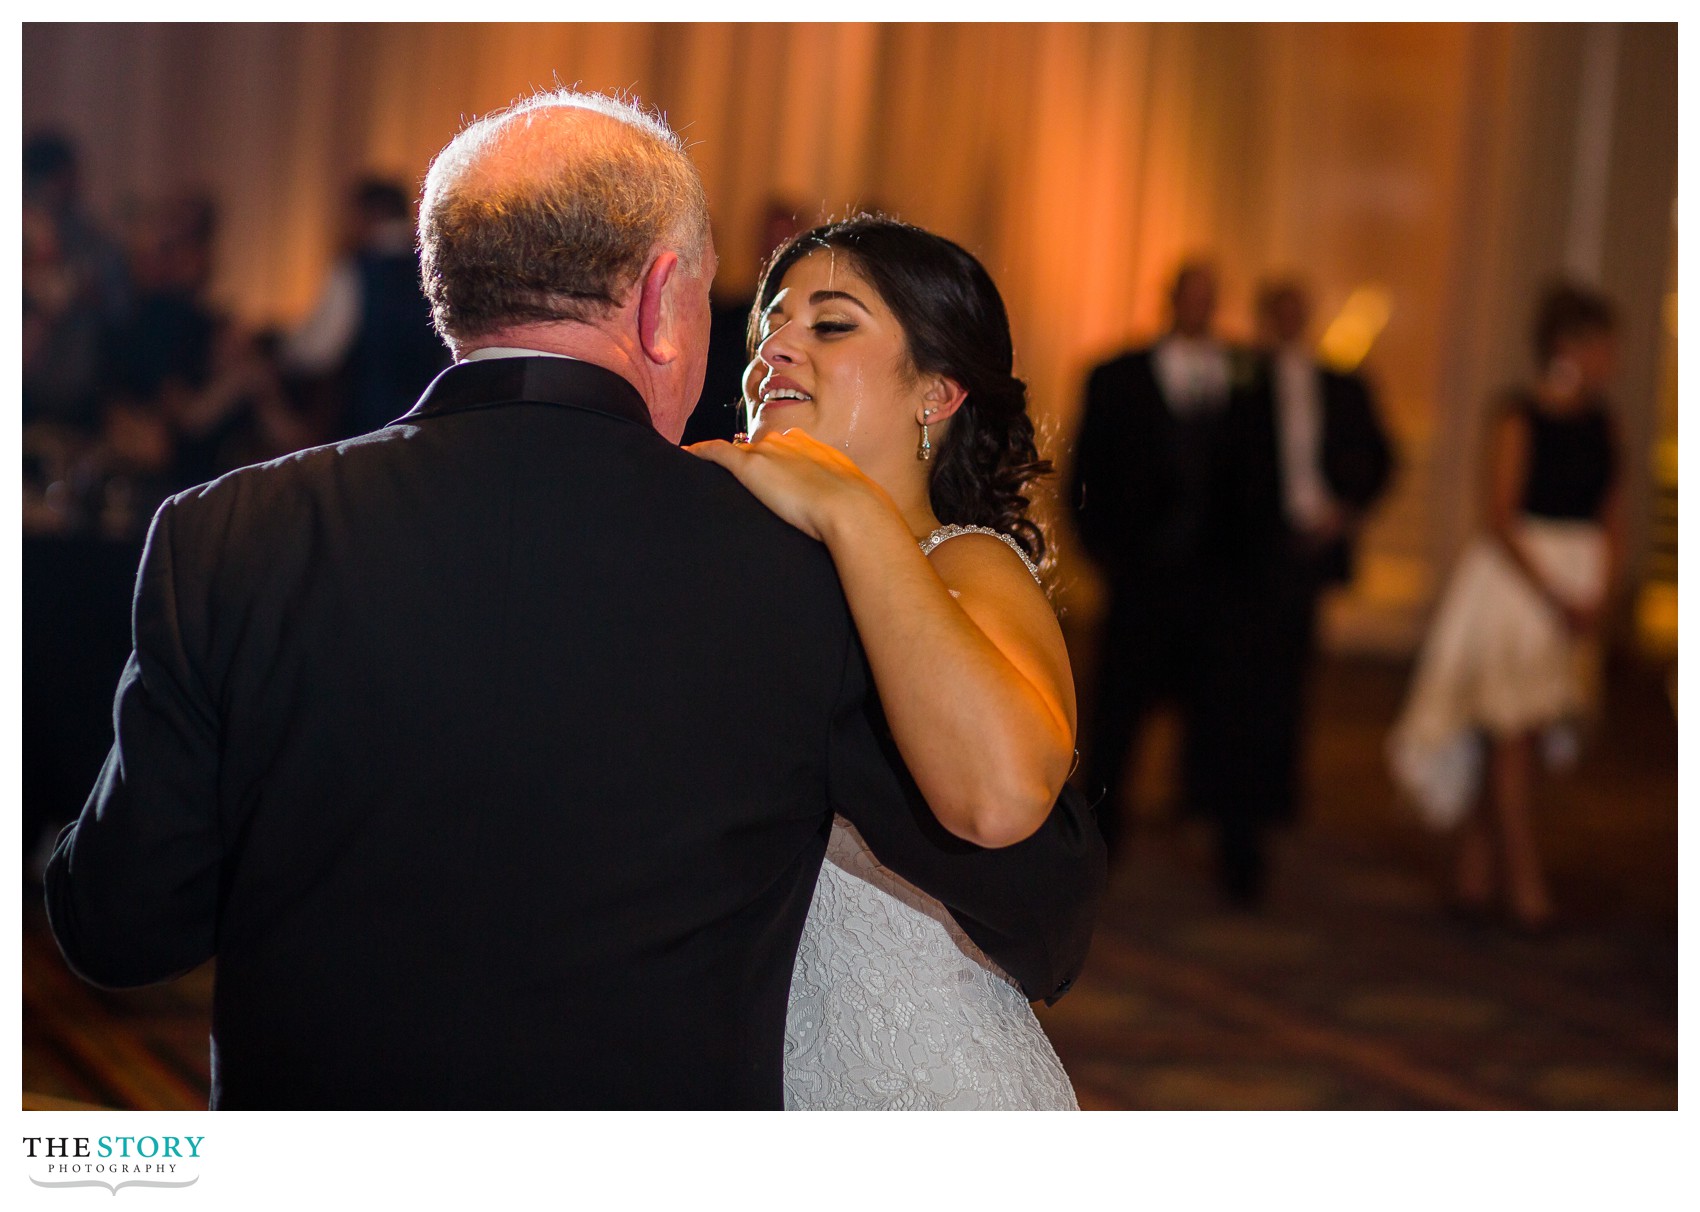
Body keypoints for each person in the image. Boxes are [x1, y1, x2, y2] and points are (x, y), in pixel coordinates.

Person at [43, 90, 1101, 1110]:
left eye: (827, 326)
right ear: (658, 299)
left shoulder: (226, 530)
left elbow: (121, 923)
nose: (768, 348)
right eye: (753, 318)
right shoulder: (774, 569)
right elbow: (1031, 898)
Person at [691, 216, 1085, 1109]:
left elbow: (999, 793)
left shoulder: (965, 563)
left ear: (936, 394)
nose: (774, 349)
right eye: (767, 330)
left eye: (830, 325)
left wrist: (852, 510)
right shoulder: (743, 563)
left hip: (917, 1084)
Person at [1388, 282, 1624, 933]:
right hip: (1518, 591)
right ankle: (1525, 884)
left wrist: (1600, 590)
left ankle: (1474, 867)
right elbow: (1500, 512)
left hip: (1576, 586)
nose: (1612, 358)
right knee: (1511, 729)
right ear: (1567, 345)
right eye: (1603, 344)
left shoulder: (1606, 421)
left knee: (1522, 733)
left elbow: (1614, 512)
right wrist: (1555, 592)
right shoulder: (1518, 415)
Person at [1206, 278, 1394, 905]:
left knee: (1288, 686)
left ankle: (1272, 805)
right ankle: (1236, 828)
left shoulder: (1343, 384)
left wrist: (1343, 511)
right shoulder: (1238, 377)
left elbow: (1381, 458)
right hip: (1240, 563)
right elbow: (1213, 461)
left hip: (1306, 561)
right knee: (1237, 690)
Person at [1068, 260, 1239, 862]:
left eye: (1208, 298)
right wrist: (1106, 552)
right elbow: (1086, 470)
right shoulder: (1117, 375)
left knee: (1222, 714)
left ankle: (1218, 840)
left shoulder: (1243, 376)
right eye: (1190, 296)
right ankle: (1099, 839)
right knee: (1118, 713)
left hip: (1218, 582)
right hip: (1140, 575)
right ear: (1170, 300)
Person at [280, 178, 450, 439]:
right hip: (431, 423)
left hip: (367, 425)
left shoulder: (356, 270)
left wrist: (281, 353)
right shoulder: (441, 268)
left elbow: (318, 351)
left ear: (369, 213)